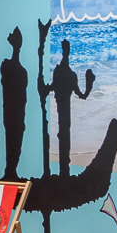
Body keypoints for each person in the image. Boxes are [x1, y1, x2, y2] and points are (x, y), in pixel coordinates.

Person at [46, 38, 94, 173]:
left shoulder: (60, 72)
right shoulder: (70, 75)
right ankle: (64, 167)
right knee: (64, 132)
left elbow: (52, 87)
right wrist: (89, 84)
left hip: (62, 108)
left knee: (63, 132)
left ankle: (64, 167)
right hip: (65, 108)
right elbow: (82, 95)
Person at [0, 28, 28, 178]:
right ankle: (10, 169)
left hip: (12, 111)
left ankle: (11, 170)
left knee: (13, 139)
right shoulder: (16, 69)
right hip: (14, 112)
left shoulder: (9, 67)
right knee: (14, 139)